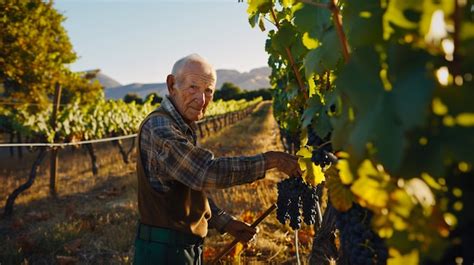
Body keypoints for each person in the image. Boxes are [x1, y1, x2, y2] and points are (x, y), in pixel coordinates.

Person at [133, 54, 301, 264]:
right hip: (162, 251)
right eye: (193, 87)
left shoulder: (182, 126)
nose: (202, 100)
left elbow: (187, 186)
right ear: (171, 85)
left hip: (179, 246)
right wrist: (270, 160)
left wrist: (224, 222)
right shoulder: (159, 128)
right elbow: (204, 172)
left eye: (208, 91)